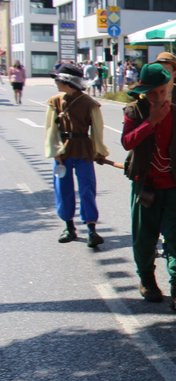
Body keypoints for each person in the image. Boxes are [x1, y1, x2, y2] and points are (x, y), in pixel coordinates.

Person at [120, 63, 176, 313]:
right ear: (143, 92)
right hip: (145, 186)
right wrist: (150, 122)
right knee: (144, 238)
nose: (158, 97)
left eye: (162, 91)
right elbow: (127, 142)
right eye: (152, 93)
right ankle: (147, 281)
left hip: (173, 187)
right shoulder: (134, 112)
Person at [45, 64, 109, 247]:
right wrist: (54, 151)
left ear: (67, 81)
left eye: (58, 79)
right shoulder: (55, 101)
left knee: (87, 189)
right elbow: (51, 129)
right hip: (62, 152)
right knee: (62, 189)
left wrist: (99, 151)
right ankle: (69, 227)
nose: (56, 82)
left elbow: (97, 130)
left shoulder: (90, 103)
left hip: (83, 150)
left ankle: (91, 229)